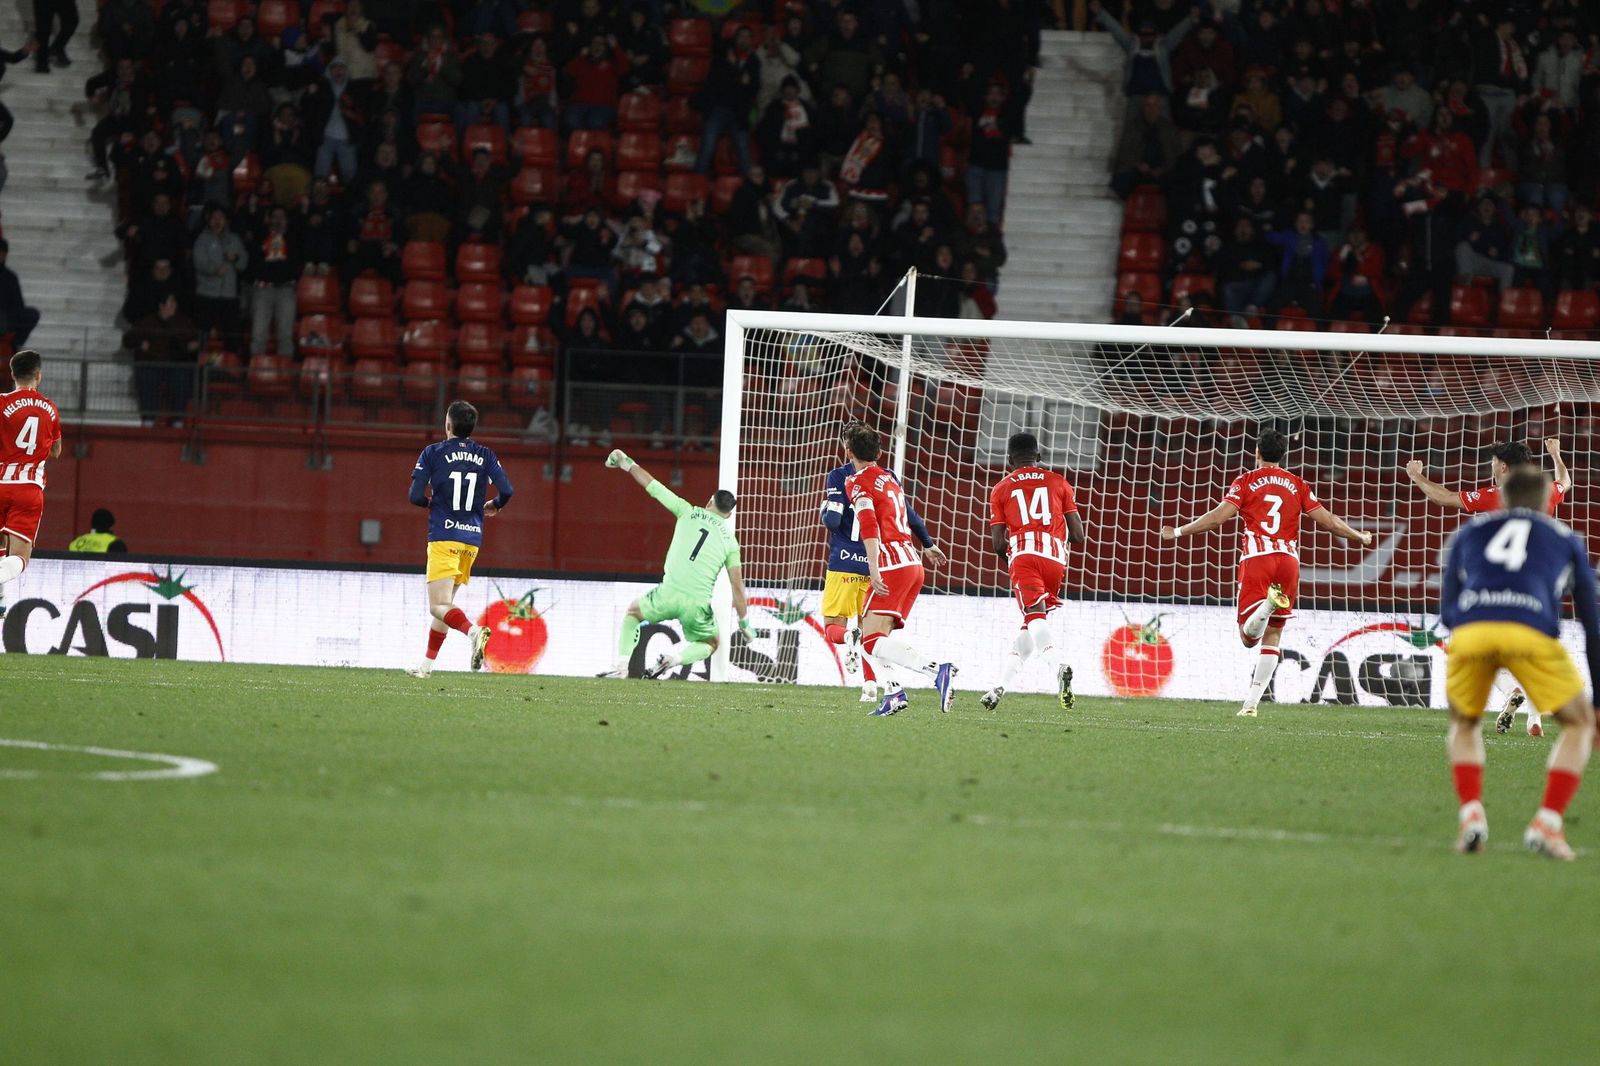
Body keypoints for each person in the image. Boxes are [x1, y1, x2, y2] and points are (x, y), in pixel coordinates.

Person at [1440, 465, 1599, 860]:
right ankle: (1547, 822)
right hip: (1530, 631)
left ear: (1503, 496)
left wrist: (1475, 625)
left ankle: (1472, 815)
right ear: (1548, 500)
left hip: (1473, 631)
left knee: (1464, 724)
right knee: (1578, 725)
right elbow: (1592, 624)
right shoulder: (1565, 537)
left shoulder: (1469, 532)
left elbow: (1447, 609)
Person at [1160, 429, 1373, 717]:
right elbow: (1330, 522)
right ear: (1282, 454)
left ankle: (1268, 604)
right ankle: (1251, 706)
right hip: (1289, 561)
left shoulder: (1246, 481)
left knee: (1248, 639)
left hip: (1258, 557)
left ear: (1257, 453)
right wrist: (1358, 536)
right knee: (1274, 634)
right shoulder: (1297, 484)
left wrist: (1179, 531)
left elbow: (1219, 517)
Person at [1405, 439, 1574, 735]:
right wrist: (1556, 454)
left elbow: (1444, 498)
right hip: (1541, 585)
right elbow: (1565, 481)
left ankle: (1511, 691)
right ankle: (1534, 719)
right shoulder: (1545, 492)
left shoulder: (1495, 495)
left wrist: (1416, 475)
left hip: (1500, 585)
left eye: (1494, 461)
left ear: (1503, 467)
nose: (1491, 465)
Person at [600, 448, 753, 681]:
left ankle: (621, 667)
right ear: (729, 516)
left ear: (709, 501)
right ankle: (674, 660)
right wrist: (744, 622)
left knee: (633, 614)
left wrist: (626, 463)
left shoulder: (686, 510)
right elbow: (737, 586)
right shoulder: (731, 543)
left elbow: (653, 486)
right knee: (710, 642)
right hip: (697, 605)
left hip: (668, 594)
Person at [819, 421, 945, 702]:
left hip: (845, 562)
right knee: (873, 632)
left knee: (834, 625)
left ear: (847, 449)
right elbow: (911, 515)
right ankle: (875, 686)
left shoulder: (841, 477)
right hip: (881, 563)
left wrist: (824, 508)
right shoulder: (889, 477)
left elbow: (833, 520)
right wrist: (928, 543)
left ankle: (849, 640)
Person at [404, 400, 512, 678]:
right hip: (471, 540)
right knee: (445, 607)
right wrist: (496, 504)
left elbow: (415, 496)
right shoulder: (485, 454)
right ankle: (426, 667)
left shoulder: (432, 453)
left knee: (437, 605)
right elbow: (507, 490)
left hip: (443, 535)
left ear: (448, 425)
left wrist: (431, 503)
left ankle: (474, 632)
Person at [980, 431, 1085, 712]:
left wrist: (1014, 559)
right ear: (1038, 457)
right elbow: (1078, 534)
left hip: (1024, 554)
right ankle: (998, 688)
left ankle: (1057, 667)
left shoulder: (1001, 488)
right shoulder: (1058, 482)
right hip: (1055, 558)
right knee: (1031, 622)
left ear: (1010, 460)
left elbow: (998, 543)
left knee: (1034, 616)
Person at [0, 351, 63, 595]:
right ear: (39, 376)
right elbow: (56, 450)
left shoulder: (2, 402)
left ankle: (1, 600)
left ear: (13, 374)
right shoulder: (49, 408)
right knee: (20, 557)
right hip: (28, 488)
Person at [0, 240, 40, 347]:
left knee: (33, 314)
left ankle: (15, 344)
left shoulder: (10, 277)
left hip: (6, 319)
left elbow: (18, 304)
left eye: (2, 253)